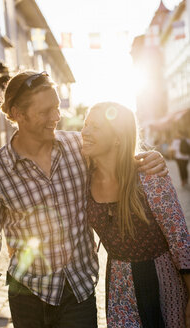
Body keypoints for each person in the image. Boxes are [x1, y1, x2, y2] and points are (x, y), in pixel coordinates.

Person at [0, 71, 167, 328]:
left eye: (56, 108)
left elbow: (117, 160)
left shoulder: (80, 148)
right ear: (18, 113)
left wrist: (149, 159)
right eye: (45, 111)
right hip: (27, 295)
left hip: (79, 291)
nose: (56, 117)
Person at [81, 102, 190, 328]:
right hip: (119, 284)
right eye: (86, 124)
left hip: (164, 279)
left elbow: (179, 238)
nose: (85, 132)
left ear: (117, 138)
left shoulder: (149, 175)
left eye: (96, 127)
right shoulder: (83, 179)